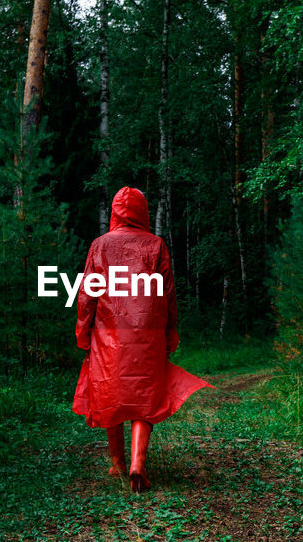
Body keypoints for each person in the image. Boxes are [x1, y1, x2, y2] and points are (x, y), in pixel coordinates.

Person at [72, 187, 210, 492]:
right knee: (145, 397)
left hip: (108, 333)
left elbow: (87, 296)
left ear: (115, 213)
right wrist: (170, 333)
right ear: (142, 212)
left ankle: (118, 463)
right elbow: (167, 294)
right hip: (148, 333)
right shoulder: (156, 246)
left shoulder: (99, 246)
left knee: (109, 391)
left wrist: (83, 333)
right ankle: (138, 463)